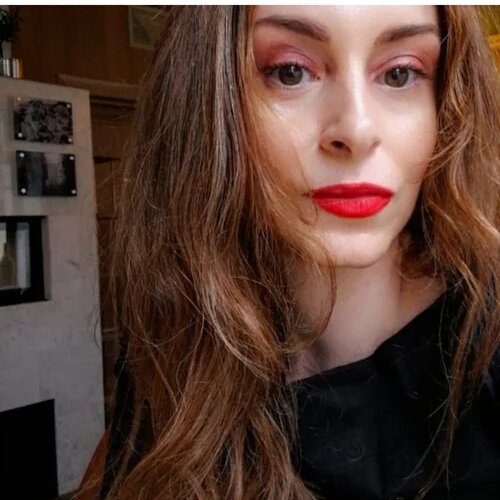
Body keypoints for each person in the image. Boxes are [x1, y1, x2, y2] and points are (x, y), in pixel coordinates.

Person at [77, 5, 499, 500]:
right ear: (208, 104)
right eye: (290, 72)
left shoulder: (488, 342)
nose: (357, 130)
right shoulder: (179, 343)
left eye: (400, 74)